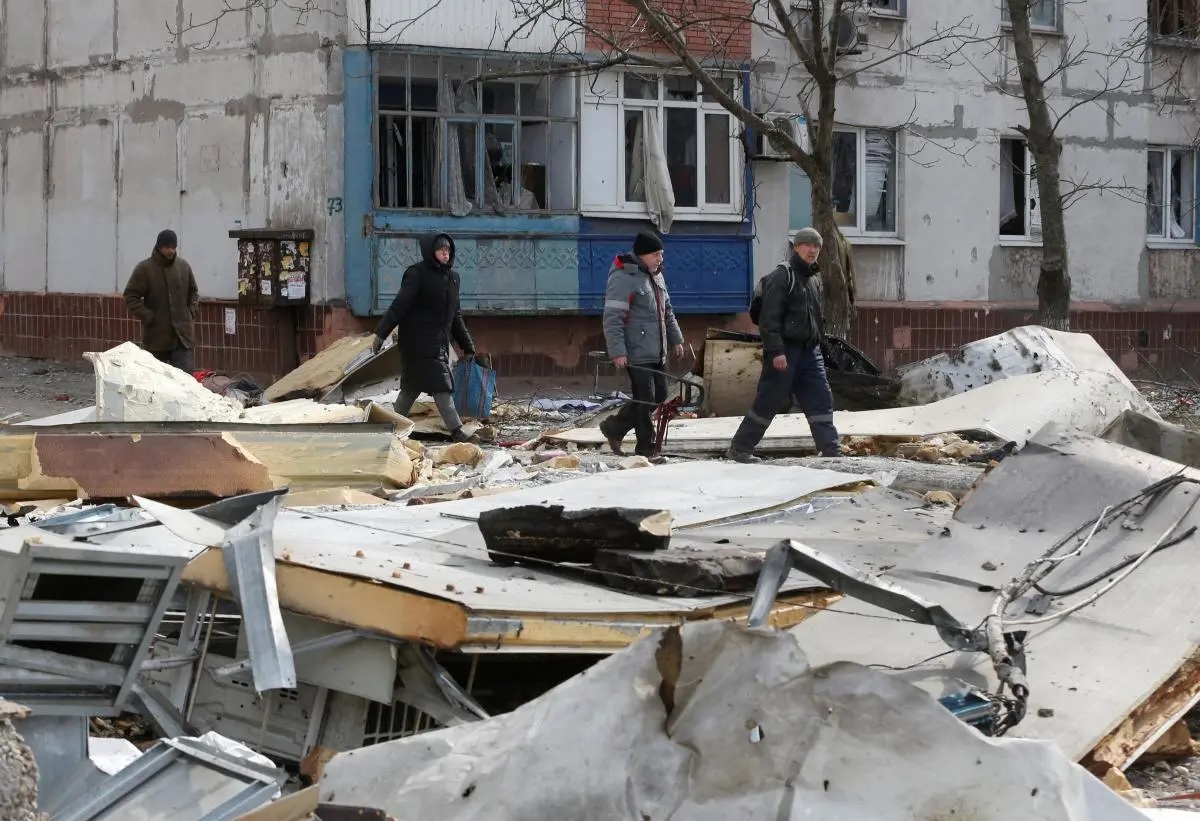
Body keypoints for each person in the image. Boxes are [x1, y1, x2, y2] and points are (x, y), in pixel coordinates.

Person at [726, 227, 841, 462]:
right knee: (770, 399)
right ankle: (740, 448)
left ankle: (830, 449)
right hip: (785, 350)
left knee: (820, 398)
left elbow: (817, 318)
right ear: (796, 247)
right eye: (808, 245)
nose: (812, 250)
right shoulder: (782, 277)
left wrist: (821, 345)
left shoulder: (813, 278)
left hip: (810, 352)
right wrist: (776, 351)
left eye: (817, 246)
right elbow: (769, 319)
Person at [371, 232, 478, 443]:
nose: (445, 254)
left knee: (411, 387)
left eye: (448, 250)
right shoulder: (416, 274)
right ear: (430, 251)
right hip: (416, 341)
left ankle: (388, 428)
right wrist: (380, 334)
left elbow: (455, 316)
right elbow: (399, 306)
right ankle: (456, 430)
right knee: (441, 385)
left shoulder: (453, 278)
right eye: (441, 250)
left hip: (438, 343)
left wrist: (467, 344)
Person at [599, 230, 685, 457]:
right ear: (642, 254)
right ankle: (646, 448)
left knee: (657, 396)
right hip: (635, 351)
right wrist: (617, 351)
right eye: (656, 254)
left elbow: (667, 312)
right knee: (645, 397)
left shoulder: (656, 275)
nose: (660, 259)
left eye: (661, 254)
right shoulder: (622, 277)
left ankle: (614, 427)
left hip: (657, 350)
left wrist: (677, 340)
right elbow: (612, 317)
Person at [123, 229, 200, 372]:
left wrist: (190, 312)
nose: (171, 251)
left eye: (173, 247)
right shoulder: (145, 269)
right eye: (167, 247)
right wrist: (148, 316)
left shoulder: (183, 266)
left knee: (186, 380)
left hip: (182, 337)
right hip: (157, 338)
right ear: (159, 246)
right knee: (156, 381)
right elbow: (130, 296)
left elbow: (194, 291)